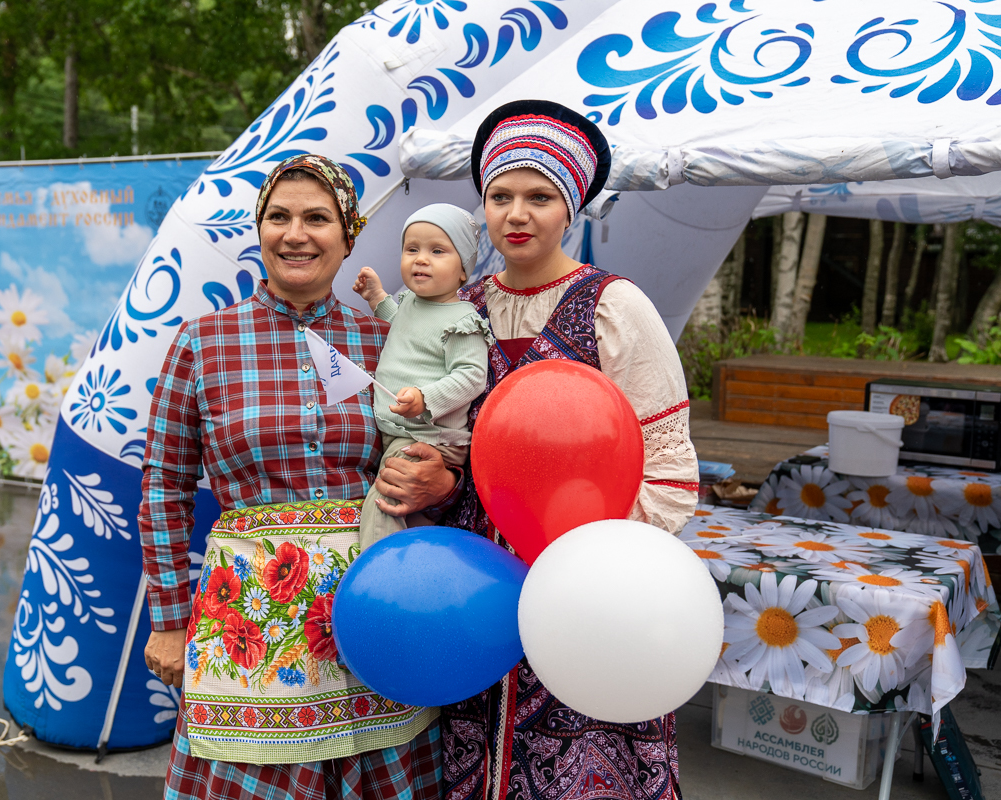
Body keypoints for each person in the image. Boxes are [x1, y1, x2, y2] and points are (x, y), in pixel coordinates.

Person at [138, 154, 458, 800]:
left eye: (317, 218)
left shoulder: (387, 344)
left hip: (373, 620)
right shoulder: (202, 343)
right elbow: (164, 485)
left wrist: (442, 479)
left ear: (347, 237)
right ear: (259, 231)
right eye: (278, 217)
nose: (295, 233)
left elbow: (439, 452)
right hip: (250, 634)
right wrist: (169, 619)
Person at [439, 100, 699, 800]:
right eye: (500, 196)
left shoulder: (615, 306)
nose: (517, 214)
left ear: (573, 207)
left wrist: (593, 570)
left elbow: (668, 468)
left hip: (591, 597)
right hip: (474, 594)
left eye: (540, 197)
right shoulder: (454, 310)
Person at [351, 203, 490, 549]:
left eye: (437, 251)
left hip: (431, 437)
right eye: (411, 249)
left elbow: (472, 375)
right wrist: (377, 298)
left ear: (463, 270)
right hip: (401, 432)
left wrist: (426, 398)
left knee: (385, 501)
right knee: (412, 518)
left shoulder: (462, 318)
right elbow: (400, 322)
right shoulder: (411, 302)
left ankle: (373, 572)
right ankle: (406, 570)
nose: (420, 259)